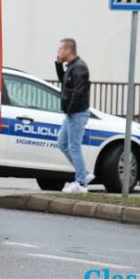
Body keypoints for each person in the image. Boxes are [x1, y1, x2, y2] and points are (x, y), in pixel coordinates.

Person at [55, 38, 94, 194]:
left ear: (68, 51)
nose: (58, 52)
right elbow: (63, 81)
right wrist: (58, 64)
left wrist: (70, 110)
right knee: (62, 143)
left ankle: (81, 184)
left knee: (74, 146)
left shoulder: (79, 68)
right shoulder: (72, 67)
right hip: (71, 114)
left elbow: (79, 92)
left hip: (76, 114)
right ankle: (84, 173)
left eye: (60, 49)